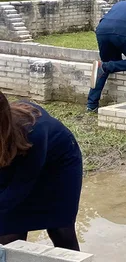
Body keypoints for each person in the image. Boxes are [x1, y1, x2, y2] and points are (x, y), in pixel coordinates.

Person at [0, 93, 83, 251]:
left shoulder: (33, 130)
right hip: (14, 159)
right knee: (8, 233)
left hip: (57, 167)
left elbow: (19, 187)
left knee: (60, 229)